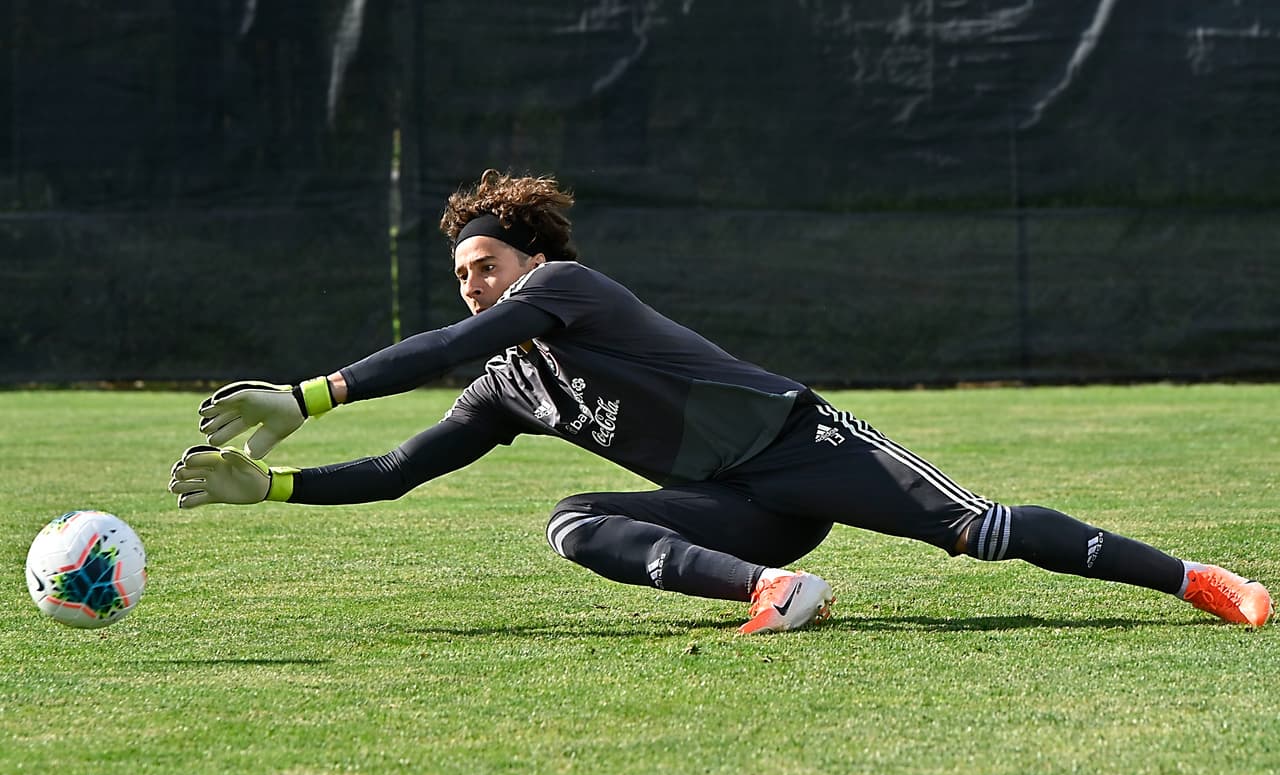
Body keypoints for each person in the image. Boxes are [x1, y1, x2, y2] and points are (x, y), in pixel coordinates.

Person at [168, 169, 1273, 633]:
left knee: (975, 532)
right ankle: (776, 590)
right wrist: (269, 484)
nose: (472, 277)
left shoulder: (562, 289)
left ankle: (1198, 580)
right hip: (739, 508)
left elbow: (457, 341)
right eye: (459, 267)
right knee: (568, 522)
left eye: (483, 259)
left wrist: (311, 393)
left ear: (528, 256)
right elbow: (402, 470)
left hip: (798, 442)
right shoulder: (506, 386)